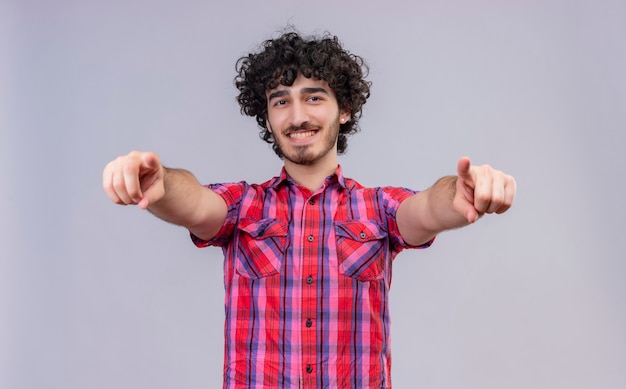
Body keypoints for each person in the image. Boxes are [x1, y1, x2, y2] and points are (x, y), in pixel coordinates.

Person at [102, 30, 516, 389]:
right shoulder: (244, 207)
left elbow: (425, 208)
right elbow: (192, 201)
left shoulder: (377, 209)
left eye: (313, 97)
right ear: (267, 117)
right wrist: (160, 184)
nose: (297, 115)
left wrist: (459, 193)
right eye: (280, 102)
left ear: (345, 109)